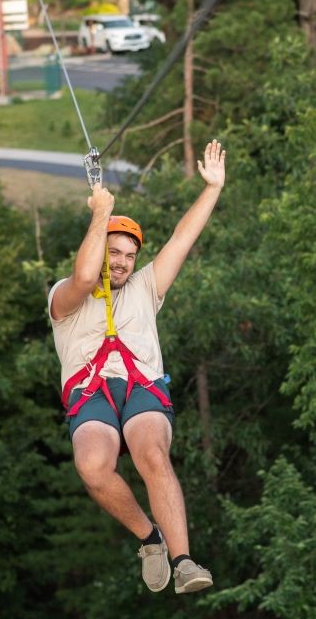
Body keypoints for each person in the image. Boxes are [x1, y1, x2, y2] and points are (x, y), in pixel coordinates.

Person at [48, 139, 226, 594]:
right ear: (97, 246)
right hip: (93, 394)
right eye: (114, 251)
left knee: (151, 452)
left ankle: (184, 561)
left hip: (142, 388)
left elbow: (182, 239)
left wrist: (212, 188)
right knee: (91, 465)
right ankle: (150, 538)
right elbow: (88, 276)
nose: (123, 262)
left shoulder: (147, 287)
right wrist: (100, 214)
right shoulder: (65, 296)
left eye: (130, 254)